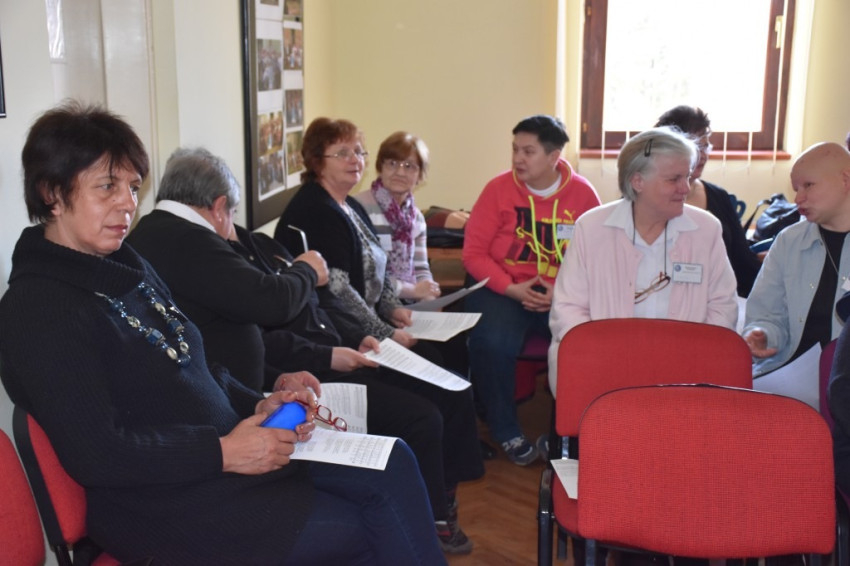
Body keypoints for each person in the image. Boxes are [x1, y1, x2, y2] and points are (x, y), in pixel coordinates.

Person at [0, 101, 446, 565]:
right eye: (107, 186)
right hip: (167, 504)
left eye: (133, 187)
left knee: (392, 460)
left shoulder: (126, 265)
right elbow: (98, 454)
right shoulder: (39, 308)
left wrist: (259, 402)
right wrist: (224, 453)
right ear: (52, 194)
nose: (128, 204)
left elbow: (194, 365)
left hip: (227, 457)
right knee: (374, 527)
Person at [127, 146, 484, 554]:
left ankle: (431, 514)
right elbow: (269, 306)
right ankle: (429, 520)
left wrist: (286, 375)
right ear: (220, 206)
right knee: (395, 454)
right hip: (239, 420)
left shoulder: (165, 236)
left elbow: (216, 346)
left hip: (255, 394)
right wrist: (307, 273)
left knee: (405, 439)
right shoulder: (190, 241)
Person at [548, 126, 739, 395]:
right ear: (638, 181)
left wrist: (690, 355)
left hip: (686, 371)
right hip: (602, 367)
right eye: (673, 179)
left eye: (687, 177)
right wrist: (608, 356)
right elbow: (568, 308)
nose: (685, 188)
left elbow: (722, 306)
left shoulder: (706, 229)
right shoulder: (591, 228)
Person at [462, 114, 601, 465]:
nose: (518, 159)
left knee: (581, 343)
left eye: (528, 151)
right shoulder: (497, 190)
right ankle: (505, 429)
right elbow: (474, 255)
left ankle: (567, 434)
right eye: (515, 150)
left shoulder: (583, 195)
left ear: (554, 156)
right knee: (491, 342)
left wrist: (560, 291)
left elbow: (596, 258)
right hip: (504, 288)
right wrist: (512, 289)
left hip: (560, 291)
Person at [275, 117, 417, 348]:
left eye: (359, 152)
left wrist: (392, 307)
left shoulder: (350, 204)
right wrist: (385, 333)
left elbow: (378, 264)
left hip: (368, 323)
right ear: (317, 161)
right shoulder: (316, 211)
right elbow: (338, 291)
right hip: (340, 335)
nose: (355, 160)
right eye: (342, 153)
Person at [744, 142, 850, 376]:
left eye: (808, 185)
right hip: (789, 376)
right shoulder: (788, 241)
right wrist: (763, 335)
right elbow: (766, 314)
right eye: (796, 188)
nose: (798, 198)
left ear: (846, 180)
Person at [655, 105, 762, 297]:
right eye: (694, 146)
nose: (702, 154)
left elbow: (742, 262)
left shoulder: (718, 197)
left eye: (705, 146)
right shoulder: (644, 199)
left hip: (715, 300)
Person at [354, 131, 441, 302]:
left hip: (407, 300)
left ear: (420, 175)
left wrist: (429, 292)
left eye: (409, 166)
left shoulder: (417, 218)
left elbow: (421, 268)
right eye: (392, 164)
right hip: (371, 303)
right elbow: (365, 274)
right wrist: (412, 291)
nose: (400, 172)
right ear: (380, 167)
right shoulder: (359, 207)